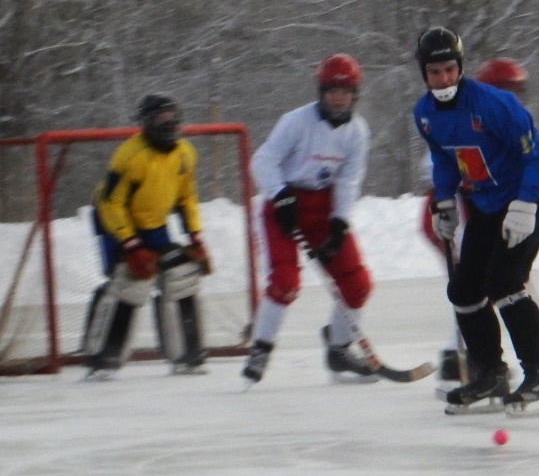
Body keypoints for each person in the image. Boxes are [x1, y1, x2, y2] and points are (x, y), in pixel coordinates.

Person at [413, 28, 539, 415]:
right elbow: (446, 159)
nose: (443, 79)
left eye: (449, 70)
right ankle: (491, 371)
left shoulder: (493, 104)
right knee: (463, 290)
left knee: (505, 280)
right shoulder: (424, 114)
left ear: (459, 69)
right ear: (424, 74)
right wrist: (443, 202)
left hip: (528, 195)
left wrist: (526, 203)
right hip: (487, 205)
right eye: (434, 72)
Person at [242, 55, 375, 384]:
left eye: (345, 91)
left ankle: (339, 349)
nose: (338, 97)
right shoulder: (296, 122)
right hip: (283, 207)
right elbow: (263, 161)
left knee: (357, 285)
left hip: (323, 209)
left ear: (355, 94)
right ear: (321, 91)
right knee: (286, 283)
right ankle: (260, 348)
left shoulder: (358, 131)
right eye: (331, 90)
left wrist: (339, 223)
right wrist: (280, 193)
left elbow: (348, 180)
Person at [418, 57, 530, 383]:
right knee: (470, 282)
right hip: (451, 209)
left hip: (482, 207)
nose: (513, 100)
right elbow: (439, 168)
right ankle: (464, 354)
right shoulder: (458, 117)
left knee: (486, 280)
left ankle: (468, 353)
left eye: (517, 92)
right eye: (506, 91)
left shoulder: (504, 118)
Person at [84, 95, 211, 377]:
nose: (168, 123)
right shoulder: (129, 156)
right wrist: (132, 246)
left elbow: (186, 197)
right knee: (130, 281)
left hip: (153, 221)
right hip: (114, 221)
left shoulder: (185, 153)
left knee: (182, 274)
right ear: (145, 123)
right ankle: (102, 358)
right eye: (159, 118)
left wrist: (196, 238)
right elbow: (109, 204)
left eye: (172, 116)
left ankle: (186, 356)